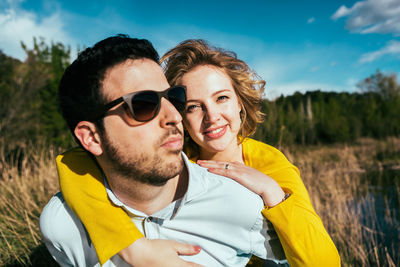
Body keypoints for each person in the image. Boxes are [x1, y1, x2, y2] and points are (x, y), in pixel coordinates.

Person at [49, 38, 341, 266]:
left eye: (222, 98)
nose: (212, 116)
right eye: (191, 105)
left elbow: (323, 260)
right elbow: (74, 163)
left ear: (240, 102)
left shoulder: (270, 164)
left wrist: (274, 194)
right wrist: (130, 246)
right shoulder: (174, 153)